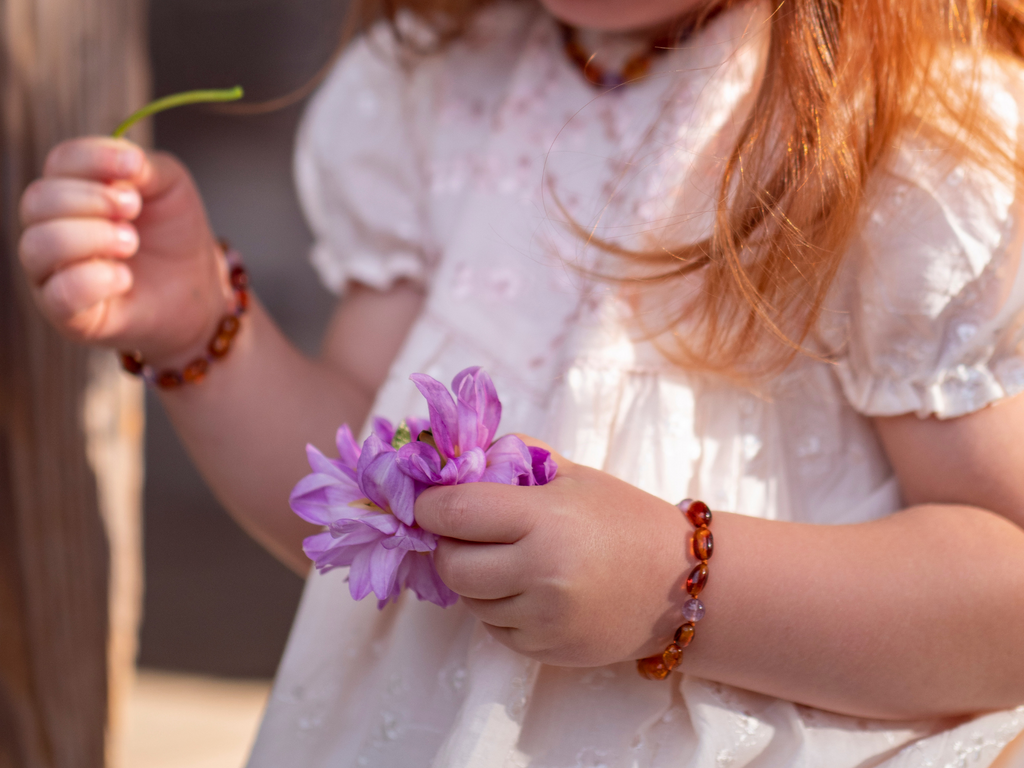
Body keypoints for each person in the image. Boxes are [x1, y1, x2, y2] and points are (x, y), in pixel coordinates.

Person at [16, 0, 1024, 764]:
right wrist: (202, 327)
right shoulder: (437, 90)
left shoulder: (903, 132)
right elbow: (361, 520)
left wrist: (674, 581)